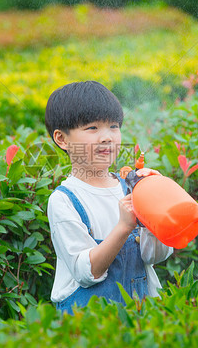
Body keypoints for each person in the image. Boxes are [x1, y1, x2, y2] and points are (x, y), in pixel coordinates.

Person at [45, 80, 174, 314]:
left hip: (142, 313)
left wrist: (154, 208)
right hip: (89, 320)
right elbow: (87, 273)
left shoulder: (131, 187)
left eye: (114, 126)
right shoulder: (64, 200)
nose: (107, 137)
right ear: (62, 139)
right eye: (92, 128)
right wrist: (124, 227)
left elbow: (156, 256)